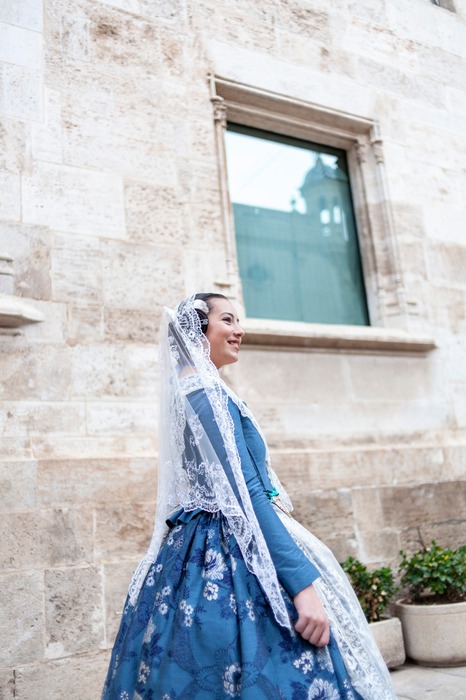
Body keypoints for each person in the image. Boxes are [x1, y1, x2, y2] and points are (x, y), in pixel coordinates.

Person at [102, 293, 396, 700]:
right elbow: (248, 495)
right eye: (228, 320)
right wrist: (301, 586)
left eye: (238, 320)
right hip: (229, 548)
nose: (239, 330)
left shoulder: (191, 389)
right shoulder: (204, 393)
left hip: (200, 541)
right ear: (198, 330)